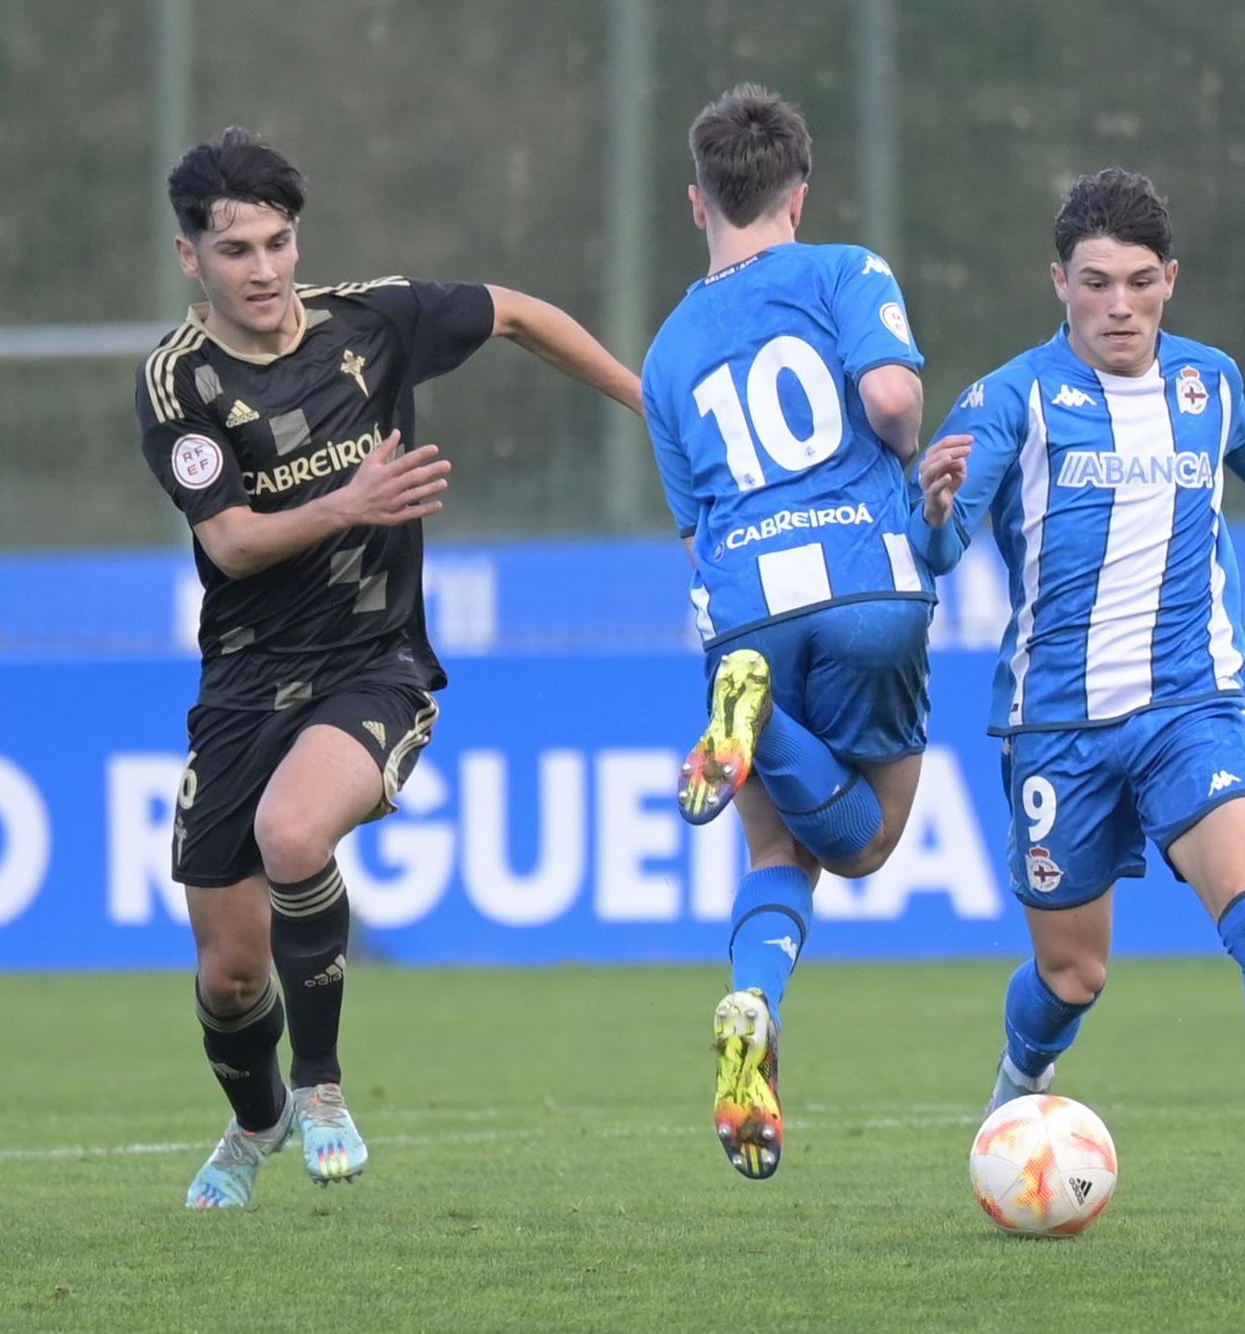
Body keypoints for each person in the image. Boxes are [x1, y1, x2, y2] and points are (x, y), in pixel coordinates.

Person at [136, 128, 642, 1209]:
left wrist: (648, 405)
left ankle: (320, 1087)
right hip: (241, 685)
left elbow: (515, 311)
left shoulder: (370, 324)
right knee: (229, 977)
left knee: (292, 832)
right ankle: (258, 1116)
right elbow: (227, 541)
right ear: (192, 259)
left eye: (277, 242)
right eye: (235, 250)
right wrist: (344, 504)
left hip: (374, 663)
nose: (263, 269)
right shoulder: (179, 384)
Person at [911, 168, 1245, 1226]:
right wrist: (936, 510)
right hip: (1057, 729)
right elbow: (946, 546)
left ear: (1169, 280)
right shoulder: (1011, 399)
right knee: (1071, 974)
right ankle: (1016, 1086)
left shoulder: (1204, 382)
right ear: (1058, 282)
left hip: (1193, 706)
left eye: (1139, 282)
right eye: (1094, 283)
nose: (1119, 306)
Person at [640, 85, 936, 1179]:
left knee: (778, 851)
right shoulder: (844, 270)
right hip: (867, 581)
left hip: (745, 604)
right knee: (861, 843)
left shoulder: (668, 351)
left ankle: (752, 996)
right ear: (797, 195)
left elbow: (691, 534)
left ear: (696, 202)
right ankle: (756, 721)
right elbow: (897, 404)